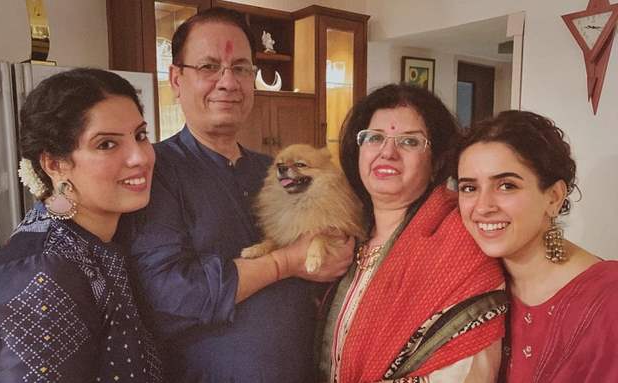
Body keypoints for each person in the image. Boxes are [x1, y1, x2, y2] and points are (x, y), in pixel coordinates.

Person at [118, 7, 353, 382]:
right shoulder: (155, 172)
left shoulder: (274, 170)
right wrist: (285, 262)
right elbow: (170, 297)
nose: (228, 82)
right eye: (209, 67)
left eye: (242, 68)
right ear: (176, 79)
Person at [0, 68, 162, 382]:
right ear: (54, 164)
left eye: (140, 136)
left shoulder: (87, 241)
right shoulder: (44, 272)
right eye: (106, 144)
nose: (140, 157)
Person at [319, 83, 507, 383]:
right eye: (375, 138)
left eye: (409, 142)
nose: (387, 152)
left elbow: (466, 370)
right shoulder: (343, 234)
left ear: (436, 163)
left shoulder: (460, 241)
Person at [456, 110, 618, 382]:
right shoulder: (473, 283)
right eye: (469, 188)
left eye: (506, 186)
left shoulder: (609, 298)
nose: (483, 207)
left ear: (554, 197)